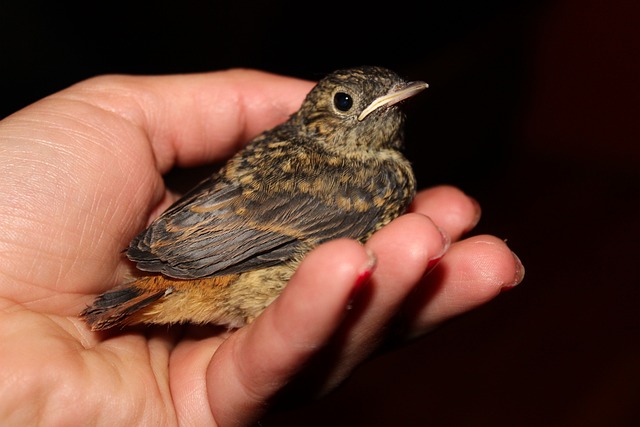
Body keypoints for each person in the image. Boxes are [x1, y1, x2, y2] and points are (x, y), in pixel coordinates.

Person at [0, 69, 524, 426]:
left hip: (208, 257)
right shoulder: (381, 182)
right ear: (318, 114)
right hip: (219, 272)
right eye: (346, 103)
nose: (368, 109)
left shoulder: (365, 169)